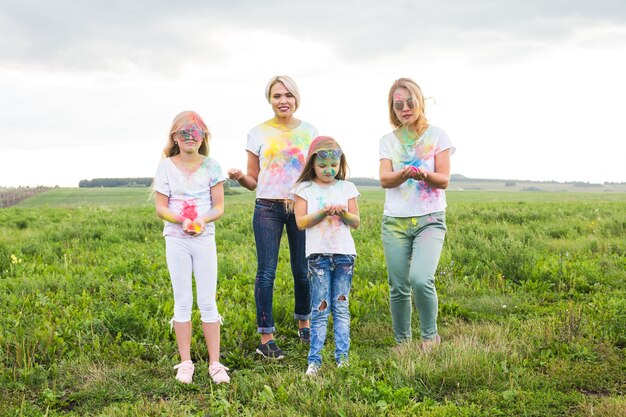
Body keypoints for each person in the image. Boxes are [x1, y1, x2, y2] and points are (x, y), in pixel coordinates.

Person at [228, 75, 318, 359]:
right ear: (270, 99)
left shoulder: (310, 131)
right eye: (277, 96)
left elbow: (318, 172)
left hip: (300, 206)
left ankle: (304, 322)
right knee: (266, 272)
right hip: (267, 207)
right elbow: (253, 179)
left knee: (302, 271)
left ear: (296, 99)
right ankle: (266, 336)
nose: (283, 101)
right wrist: (241, 178)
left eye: (288, 95)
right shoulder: (257, 133)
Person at [153, 110, 230, 384]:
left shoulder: (213, 166)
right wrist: (183, 220)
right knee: (182, 300)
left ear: (203, 137)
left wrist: (201, 220)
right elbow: (161, 208)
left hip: (204, 238)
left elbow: (218, 206)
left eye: (195, 132)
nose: (189, 137)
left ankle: (215, 363)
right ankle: (185, 362)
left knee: (208, 301)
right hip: (176, 239)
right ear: (175, 136)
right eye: (183, 132)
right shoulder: (166, 166)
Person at [379, 78, 455, 350]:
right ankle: (402, 342)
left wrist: (424, 174)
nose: (405, 108)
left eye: (410, 102)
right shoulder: (387, 141)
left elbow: (444, 179)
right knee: (398, 285)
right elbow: (385, 179)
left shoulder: (437, 136)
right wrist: (402, 174)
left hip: (430, 219)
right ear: (393, 108)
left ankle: (429, 336)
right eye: (398, 105)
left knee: (421, 279)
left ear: (419, 102)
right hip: (395, 222)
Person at [291, 136, 360, 376]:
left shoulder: (346, 187)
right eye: (322, 166)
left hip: (344, 255)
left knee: (341, 308)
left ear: (340, 163)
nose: (328, 170)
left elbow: (356, 222)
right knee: (319, 310)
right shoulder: (303, 189)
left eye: (333, 165)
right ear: (312, 164)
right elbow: (301, 223)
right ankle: (315, 361)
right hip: (318, 256)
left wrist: (342, 214)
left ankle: (342, 358)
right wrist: (322, 212)